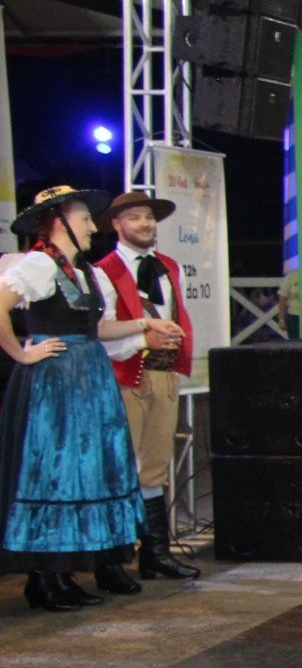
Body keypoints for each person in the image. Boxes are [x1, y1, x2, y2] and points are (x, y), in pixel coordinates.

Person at [0, 186, 157, 611]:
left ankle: (65, 572)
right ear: (59, 221)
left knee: (88, 470)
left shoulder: (83, 271)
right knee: (54, 470)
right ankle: (45, 576)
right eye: (85, 217)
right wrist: (22, 352)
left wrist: (143, 326)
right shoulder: (37, 263)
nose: (92, 225)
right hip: (55, 381)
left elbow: (97, 331)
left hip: (88, 377)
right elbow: (1, 304)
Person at [93, 190, 201, 581]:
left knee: (154, 466)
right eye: (135, 218)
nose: (145, 224)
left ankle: (154, 553)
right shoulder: (103, 271)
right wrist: (142, 340)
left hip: (162, 374)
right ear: (117, 225)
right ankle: (111, 559)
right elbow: (98, 331)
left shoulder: (169, 266)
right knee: (119, 465)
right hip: (124, 376)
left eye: (149, 218)